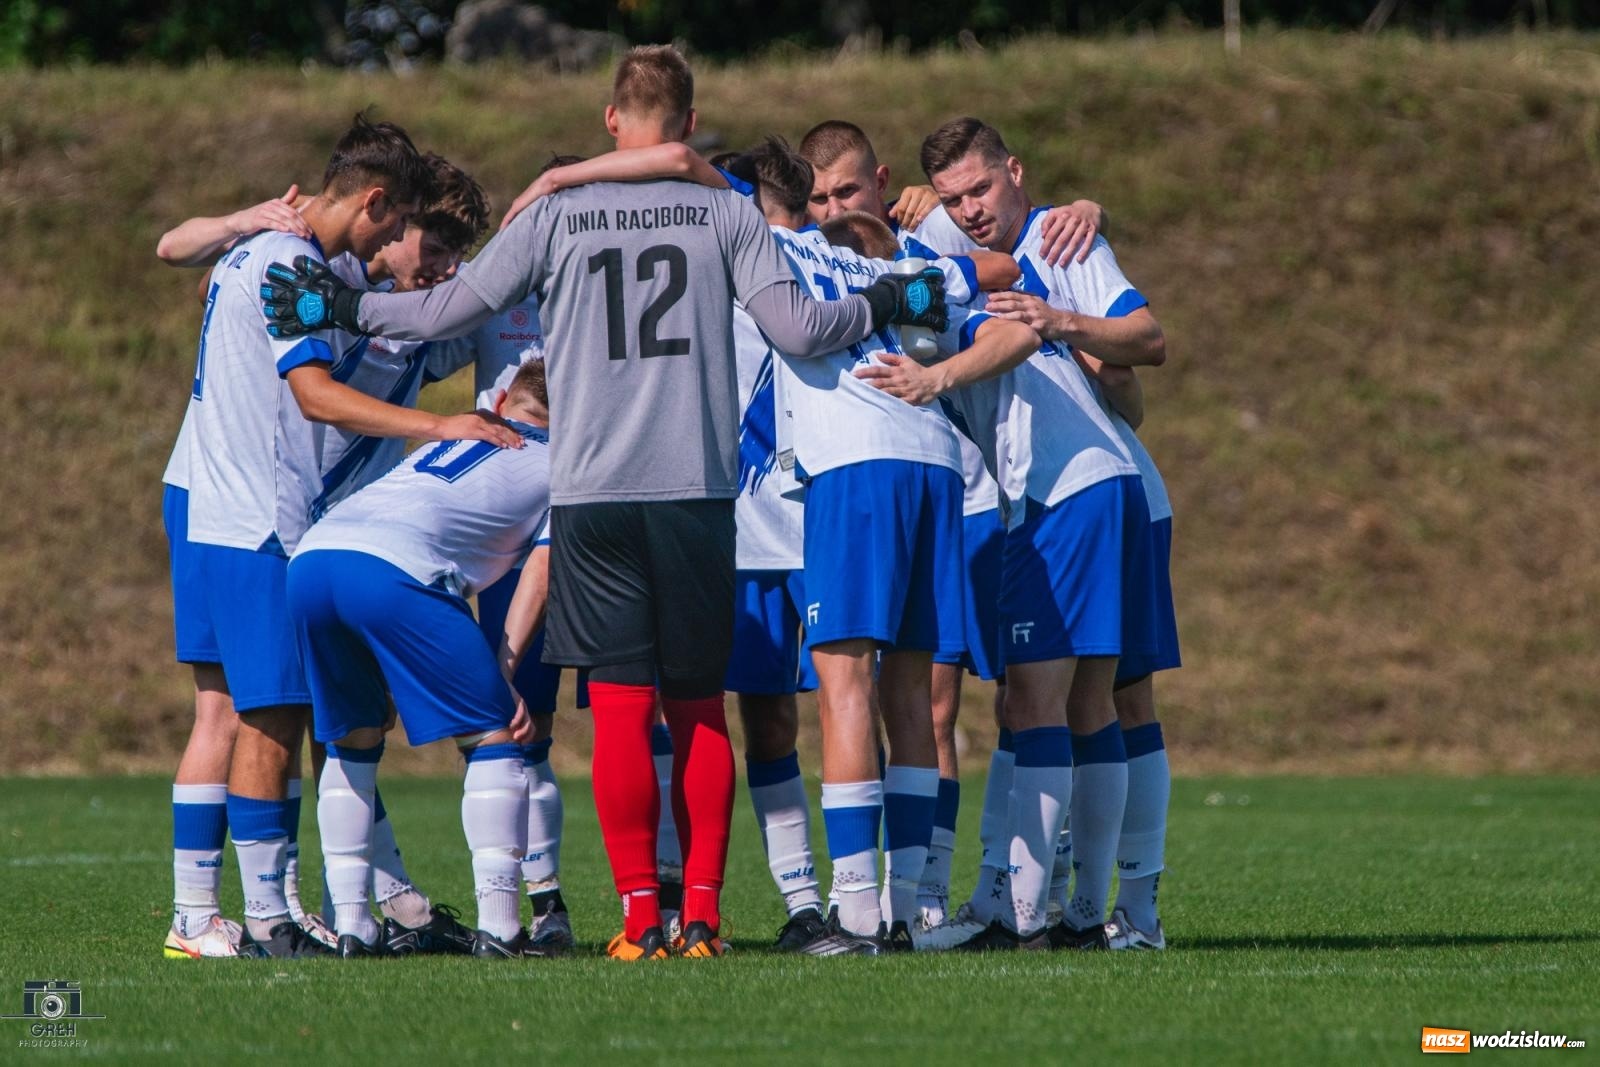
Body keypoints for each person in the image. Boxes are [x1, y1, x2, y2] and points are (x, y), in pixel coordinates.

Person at [260, 45, 950, 960]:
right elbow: (798, 327)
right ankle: (700, 917)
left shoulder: (555, 213)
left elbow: (447, 309)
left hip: (590, 495)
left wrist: (344, 312)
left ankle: (636, 922)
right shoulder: (724, 209)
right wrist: (888, 296)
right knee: (697, 708)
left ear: (611, 119)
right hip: (694, 492)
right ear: (690, 123)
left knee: (622, 710)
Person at [177, 112, 521, 960]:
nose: (411, 250)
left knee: (284, 710)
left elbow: (196, 267)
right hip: (257, 515)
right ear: (377, 207)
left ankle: (301, 904)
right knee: (273, 714)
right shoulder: (295, 263)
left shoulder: (293, 260)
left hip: (240, 507)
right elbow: (314, 394)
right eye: (405, 228)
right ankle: (263, 915)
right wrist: (441, 425)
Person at [705, 138, 1039, 955]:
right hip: (935, 464)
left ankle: (854, 910)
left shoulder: (775, 249)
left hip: (855, 468)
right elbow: (1007, 292)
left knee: (845, 685)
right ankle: (910, 906)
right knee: (910, 691)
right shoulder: (900, 263)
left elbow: (691, 182)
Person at [864, 116, 1167, 950]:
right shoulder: (935, 244)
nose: (969, 210)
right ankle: (1073, 912)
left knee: (1059, 701)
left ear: (1016, 172)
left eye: (981, 188)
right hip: (1073, 489)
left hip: (1075, 488)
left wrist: (945, 372)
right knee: (1075, 703)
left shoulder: (1056, 242)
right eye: (953, 198)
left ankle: (1030, 916)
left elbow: (1138, 344)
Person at [798, 121, 1106, 925]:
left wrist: (1082, 208)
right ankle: (917, 893)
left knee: (945, 703)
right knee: (921, 697)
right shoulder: (801, 252)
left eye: (847, 190)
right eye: (818, 196)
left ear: (881, 183)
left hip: (957, 491)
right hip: (905, 482)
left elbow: (1009, 263)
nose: (833, 207)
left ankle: (920, 895)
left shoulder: (920, 240)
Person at [288, 360, 552, 958]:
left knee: (352, 740)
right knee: (494, 734)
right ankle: (502, 930)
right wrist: (503, 672)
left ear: (502, 401)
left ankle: (353, 927)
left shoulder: (454, 435)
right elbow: (541, 569)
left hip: (313, 559)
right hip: (396, 567)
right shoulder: (568, 463)